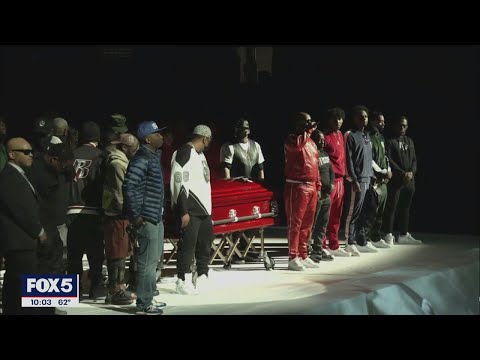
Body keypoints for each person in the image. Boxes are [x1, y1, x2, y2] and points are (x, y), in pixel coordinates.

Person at [0, 138, 47, 314]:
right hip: (19, 242)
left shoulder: (19, 175)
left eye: (31, 151)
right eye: (26, 152)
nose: (31, 155)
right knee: (24, 291)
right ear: (12, 154)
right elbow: (20, 210)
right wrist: (39, 231)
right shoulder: (8, 177)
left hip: (22, 241)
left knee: (15, 288)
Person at [123, 121, 165, 315]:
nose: (161, 136)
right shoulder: (142, 158)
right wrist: (136, 215)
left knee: (152, 261)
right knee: (147, 262)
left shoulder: (152, 156)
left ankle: (148, 297)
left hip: (155, 216)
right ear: (148, 139)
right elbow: (129, 186)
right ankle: (143, 304)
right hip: (146, 218)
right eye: (157, 134)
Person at [171, 125, 214, 294]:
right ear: (204, 138)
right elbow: (179, 181)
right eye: (208, 140)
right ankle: (183, 279)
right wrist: (183, 210)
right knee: (187, 246)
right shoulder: (184, 152)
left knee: (205, 244)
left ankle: (202, 275)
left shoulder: (200, 155)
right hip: (190, 209)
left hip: (203, 210)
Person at [67, 121, 106, 300]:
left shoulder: (70, 155)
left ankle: (74, 291)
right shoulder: (101, 156)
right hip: (93, 211)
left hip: (71, 211)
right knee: (95, 254)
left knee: (74, 255)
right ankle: (96, 289)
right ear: (97, 137)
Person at [219, 118, 266, 262]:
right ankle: (232, 251)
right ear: (235, 131)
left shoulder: (255, 145)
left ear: (249, 130)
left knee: (252, 221)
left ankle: (245, 249)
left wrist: (262, 189)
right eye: (239, 129)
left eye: (245, 129)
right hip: (236, 189)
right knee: (235, 221)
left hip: (251, 189)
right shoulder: (229, 147)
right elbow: (226, 170)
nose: (242, 131)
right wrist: (228, 189)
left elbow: (260, 169)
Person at [103, 133, 139, 305]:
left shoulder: (121, 161)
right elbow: (119, 194)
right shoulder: (117, 163)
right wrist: (129, 214)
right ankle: (115, 290)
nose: (136, 151)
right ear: (125, 147)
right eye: (134, 148)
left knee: (122, 251)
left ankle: (119, 288)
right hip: (117, 214)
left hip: (120, 213)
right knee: (117, 253)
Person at [284, 112, 321, 271]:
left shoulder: (311, 142)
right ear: (298, 123)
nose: (309, 124)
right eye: (306, 122)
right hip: (297, 186)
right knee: (296, 223)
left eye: (310, 122)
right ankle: (293, 257)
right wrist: (309, 131)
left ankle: (303, 254)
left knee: (307, 223)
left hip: (311, 186)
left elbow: (315, 165)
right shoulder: (292, 139)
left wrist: (318, 185)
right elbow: (297, 146)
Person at [343, 106, 378, 256]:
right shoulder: (350, 135)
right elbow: (348, 159)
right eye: (361, 117)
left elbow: (369, 158)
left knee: (366, 211)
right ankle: (349, 242)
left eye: (366, 116)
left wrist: (373, 175)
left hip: (368, 178)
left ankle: (361, 240)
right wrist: (354, 179)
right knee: (353, 212)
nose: (364, 119)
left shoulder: (367, 135)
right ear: (355, 118)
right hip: (357, 180)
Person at [383, 115, 422, 245]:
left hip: (409, 181)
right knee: (391, 207)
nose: (402, 128)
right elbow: (389, 159)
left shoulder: (409, 141)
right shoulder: (390, 141)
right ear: (394, 125)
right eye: (400, 125)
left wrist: (411, 173)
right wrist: (402, 174)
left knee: (405, 208)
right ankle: (388, 234)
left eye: (404, 125)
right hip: (396, 181)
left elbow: (414, 159)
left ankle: (404, 234)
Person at [323, 107, 351, 257]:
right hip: (330, 181)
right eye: (335, 119)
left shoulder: (340, 135)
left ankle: (333, 245)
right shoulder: (324, 137)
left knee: (336, 215)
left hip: (341, 180)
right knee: (325, 215)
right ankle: (321, 245)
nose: (338, 122)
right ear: (329, 120)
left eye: (340, 119)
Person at [364, 111, 393, 248]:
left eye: (383, 121)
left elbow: (385, 157)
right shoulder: (368, 137)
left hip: (383, 180)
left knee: (381, 210)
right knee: (371, 209)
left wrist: (388, 170)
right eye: (380, 121)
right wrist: (380, 172)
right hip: (374, 179)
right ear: (373, 122)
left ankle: (376, 237)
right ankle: (366, 239)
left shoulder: (381, 138)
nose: (383, 124)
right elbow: (369, 158)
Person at [309, 130, 335, 262]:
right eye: (319, 139)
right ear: (313, 140)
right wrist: (322, 187)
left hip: (327, 196)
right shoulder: (312, 155)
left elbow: (331, 171)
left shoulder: (325, 154)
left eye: (323, 139)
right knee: (311, 224)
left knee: (322, 225)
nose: (322, 141)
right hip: (317, 195)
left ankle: (318, 249)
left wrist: (331, 183)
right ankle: (307, 251)